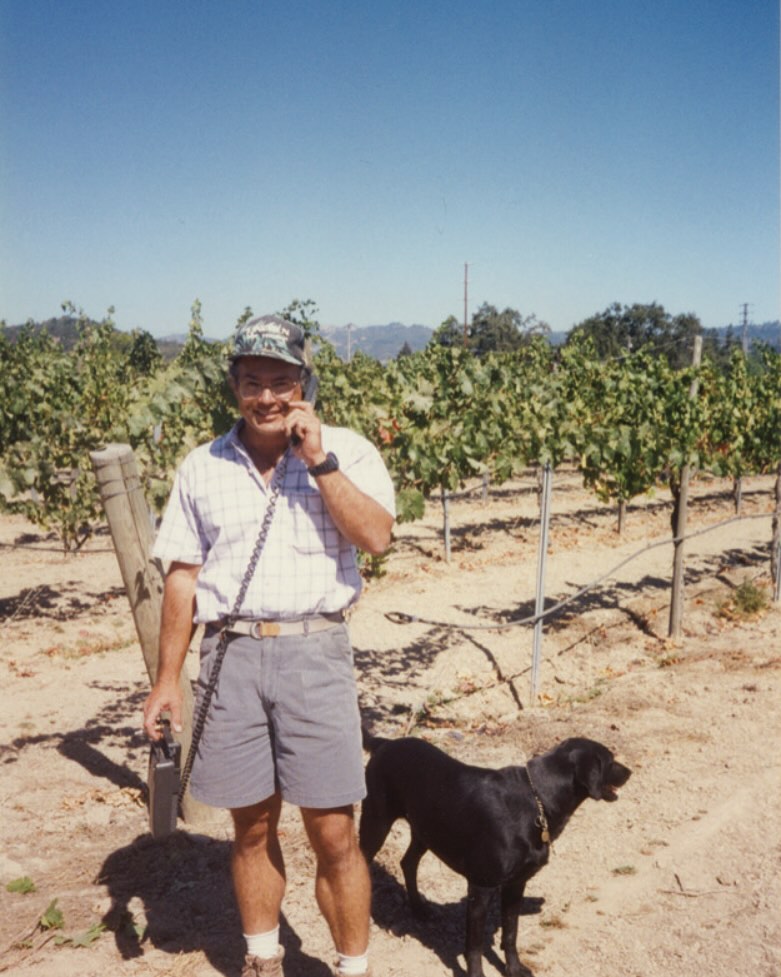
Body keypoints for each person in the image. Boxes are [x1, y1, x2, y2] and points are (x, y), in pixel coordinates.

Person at [143, 314, 395, 977]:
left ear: (304, 384)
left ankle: (352, 966)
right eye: (253, 381)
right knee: (250, 826)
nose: (267, 397)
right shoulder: (202, 466)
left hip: (315, 653)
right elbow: (182, 578)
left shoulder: (349, 450)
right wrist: (167, 679)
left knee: (334, 831)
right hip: (232, 657)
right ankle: (261, 957)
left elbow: (375, 537)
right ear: (233, 385)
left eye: (281, 382)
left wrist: (319, 461)